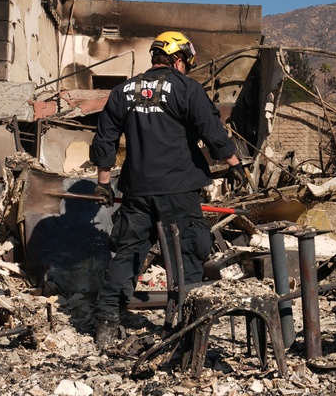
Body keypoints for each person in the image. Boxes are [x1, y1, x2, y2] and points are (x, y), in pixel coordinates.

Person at [90, 30, 246, 347]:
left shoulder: (124, 91)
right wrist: (234, 164)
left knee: (127, 255)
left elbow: (105, 137)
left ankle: (106, 326)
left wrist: (103, 183)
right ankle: (185, 329)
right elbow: (212, 130)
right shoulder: (186, 88)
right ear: (178, 60)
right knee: (186, 255)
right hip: (179, 189)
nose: (186, 67)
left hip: (137, 191)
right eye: (186, 62)